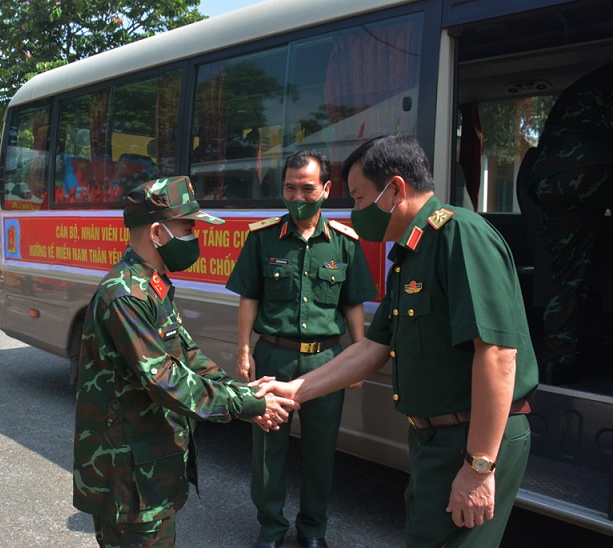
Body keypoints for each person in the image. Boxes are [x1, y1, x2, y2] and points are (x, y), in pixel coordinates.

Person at [256, 136, 539, 547]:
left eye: (358, 197)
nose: (354, 212)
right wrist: (295, 389)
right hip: (434, 440)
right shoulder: (411, 253)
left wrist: (478, 468)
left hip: (471, 439)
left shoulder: (460, 235)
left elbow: (497, 354)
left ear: (395, 189)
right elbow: (372, 349)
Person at [72, 175, 298, 548]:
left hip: (151, 465)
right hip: (129, 477)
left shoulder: (152, 285)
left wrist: (241, 391)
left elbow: (187, 355)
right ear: (158, 233)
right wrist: (248, 404)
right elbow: (164, 378)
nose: (195, 237)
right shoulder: (125, 294)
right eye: (188, 228)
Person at [226, 150, 378, 548]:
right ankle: (270, 528)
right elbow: (249, 298)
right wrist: (244, 349)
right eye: (290, 188)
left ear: (326, 190)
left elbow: (352, 303)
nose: (297, 196)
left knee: (320, 452)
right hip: (273, 355)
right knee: (267, 450)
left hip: (326, 360)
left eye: (307, 188)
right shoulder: (262, 238)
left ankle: (313, 530)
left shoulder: (344, 243)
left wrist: (359, 356)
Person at [525, 60, 613, 385]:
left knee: (566, 275)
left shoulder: (590, 80)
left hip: (550, 181)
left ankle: (556, 362)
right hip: (594, 169)